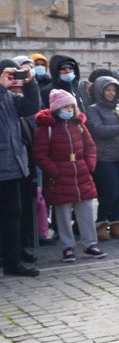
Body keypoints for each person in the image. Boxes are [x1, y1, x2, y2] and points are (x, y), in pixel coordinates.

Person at [33, 89, 106, 261]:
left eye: (71, 107)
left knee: (86, 211)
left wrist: (89, 165)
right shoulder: (47, 128)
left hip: (81, 173)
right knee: (63, 214)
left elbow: (91, 147)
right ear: (57, 109)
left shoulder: (79, 125)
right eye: (65, 107)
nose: (69, 110)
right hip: (60, 176)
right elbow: (40, 154)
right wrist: (55, 170)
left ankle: (90, 244)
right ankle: (68, 247)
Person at [86, 76, 119, 240]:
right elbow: (99, 130)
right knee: (111, 191)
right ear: (100, 91)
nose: (111, 93)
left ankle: (117, 223)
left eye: (114, 90)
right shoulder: (93, 109)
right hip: (105, 157)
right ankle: (101, 222)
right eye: (107, 90)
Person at [0, 60, 40, 276]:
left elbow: (31, 107)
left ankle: (12, 260)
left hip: (13, 166)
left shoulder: (9, 97)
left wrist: (30, 83)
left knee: (13, 216)